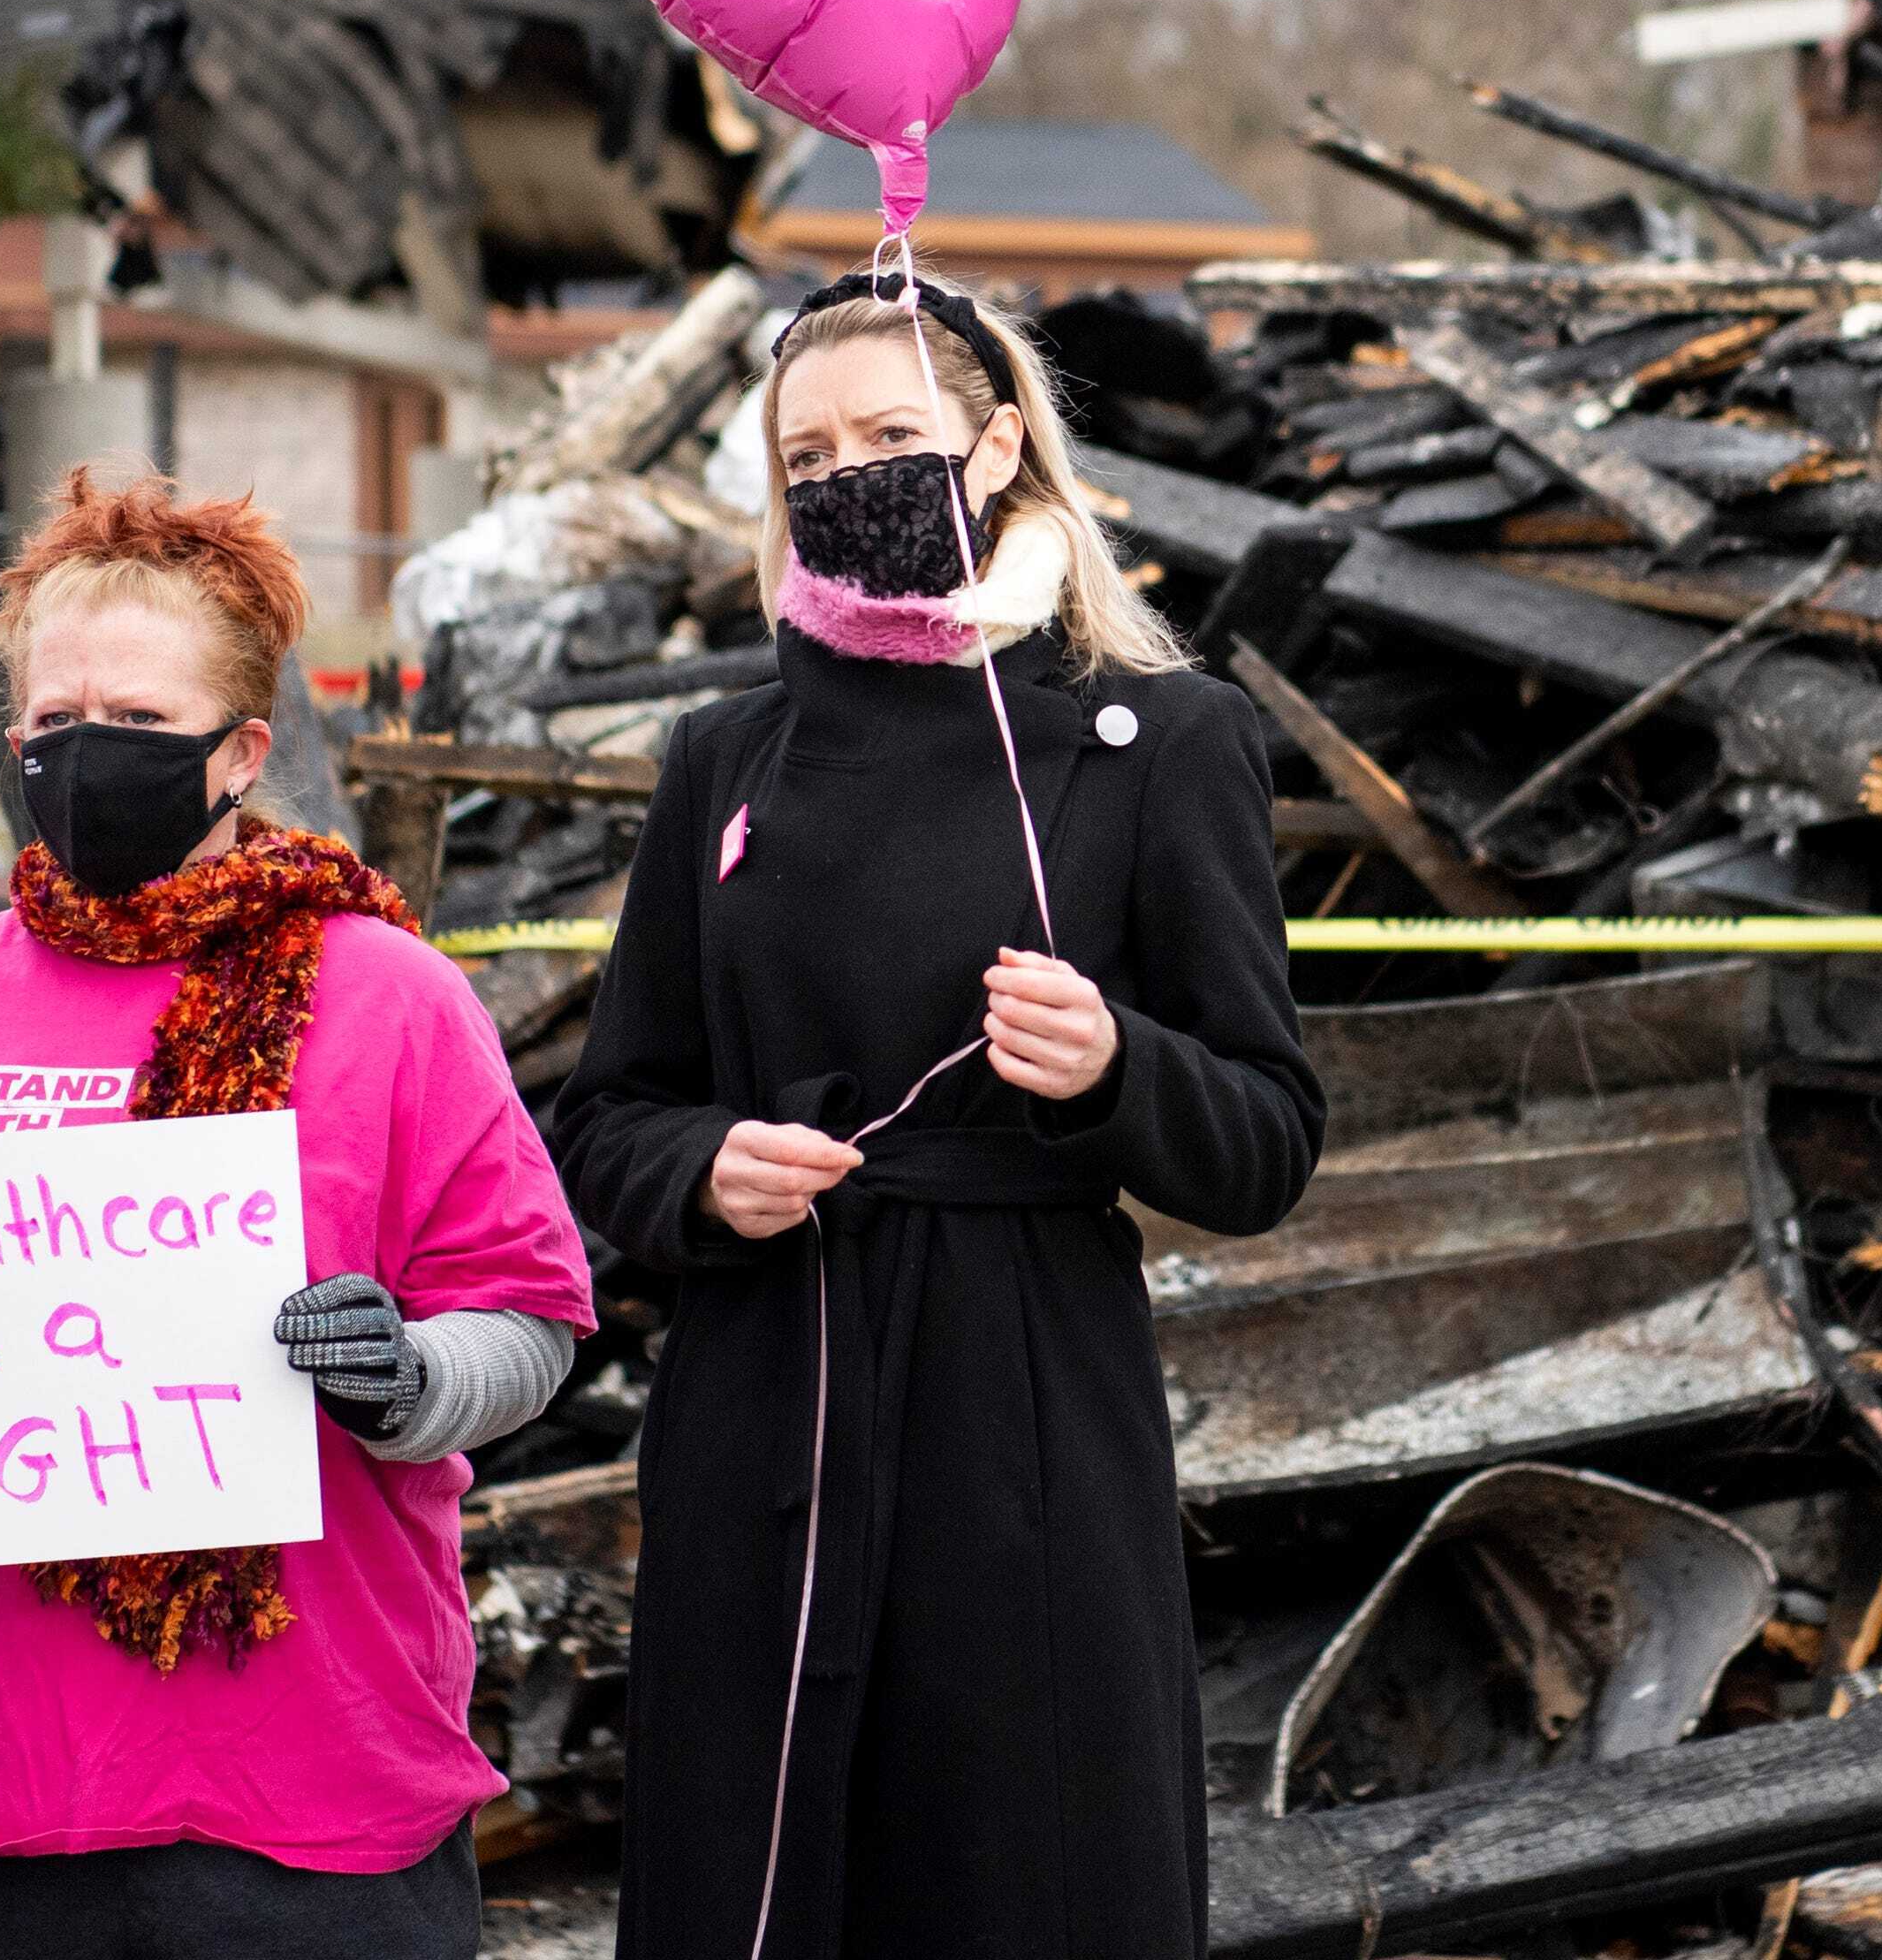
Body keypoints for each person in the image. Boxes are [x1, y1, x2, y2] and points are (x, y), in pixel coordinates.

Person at [0, 469, 597, 1960]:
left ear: (242, 751)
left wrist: (411, 1379)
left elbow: (531, 1320)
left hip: (312, 1793)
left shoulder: (394, 999)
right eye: (50, 723)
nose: (86, 753)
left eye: (141, 727)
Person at [551, 269, 1324, 1960]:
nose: (849, 474)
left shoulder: (1164, 741)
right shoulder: (723, 759)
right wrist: (704, 1173)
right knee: (756, 1874)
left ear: (997, 447)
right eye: (807, 453)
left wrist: (1119, 1067)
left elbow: (1268, 1136)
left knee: (1024, 1869)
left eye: (890, 436)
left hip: (1028, 1399)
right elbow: (606, 1117)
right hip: (770, 1390)